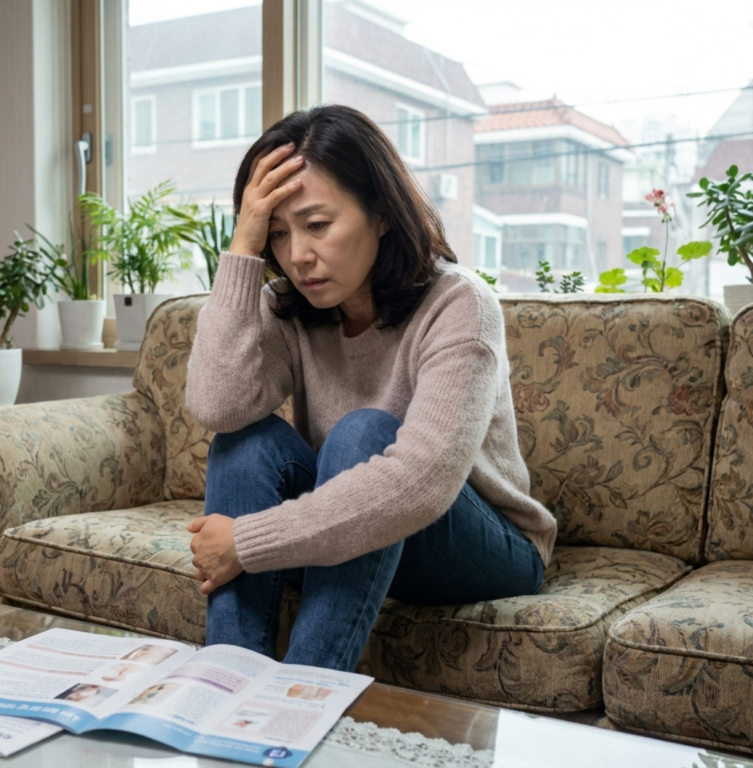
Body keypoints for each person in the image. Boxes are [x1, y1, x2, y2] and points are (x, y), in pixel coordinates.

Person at [185, 105, 557, 672]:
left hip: (485, 546)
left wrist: (247, 541)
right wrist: (242, 247)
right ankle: (227, 681)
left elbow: (419, 484)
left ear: (381, 214)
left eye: (317, 225)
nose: (297, 256)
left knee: (365, 433)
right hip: (360, 530)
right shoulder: (293, 307)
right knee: (245, 441)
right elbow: (218, 406)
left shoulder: (459, 304)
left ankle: (302, 697)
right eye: (278, 234)